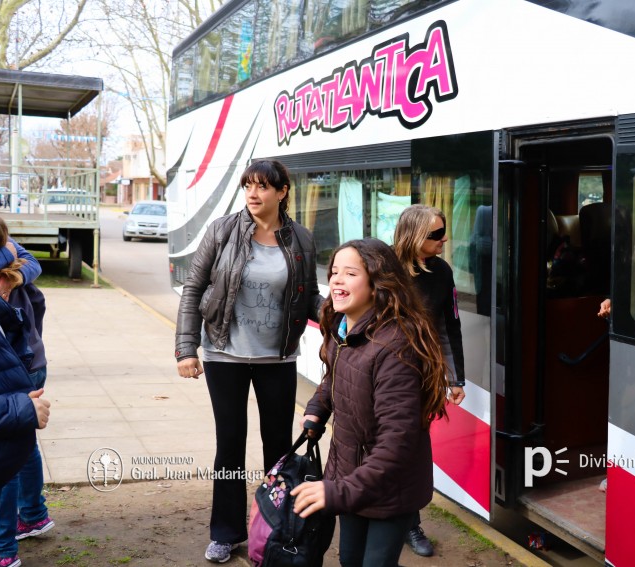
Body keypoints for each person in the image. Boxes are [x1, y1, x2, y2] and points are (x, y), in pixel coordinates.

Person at [174, 159, 323, 564]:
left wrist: (342, 315)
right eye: (248, 186)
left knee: (278, 448)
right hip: (225, 353)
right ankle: (226, 531)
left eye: (262, 187)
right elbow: (194, 288)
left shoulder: (301, 240)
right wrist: (186, 349)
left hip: (278, 357)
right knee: (230, 444)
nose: (253, 194)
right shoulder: (222, 231)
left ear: (282, 191)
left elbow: (309, 298)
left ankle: (273, 526)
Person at [292, 238, 450, 567]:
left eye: (350, 273)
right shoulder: (344, 327)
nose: (336, 279)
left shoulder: (395, 345)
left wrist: (336, 491)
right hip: (351, 474)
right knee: (350, 559)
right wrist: (317, 410)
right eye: (334, 272)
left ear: (378, 282)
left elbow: (398, 438)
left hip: (389, 485)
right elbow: (337, 377)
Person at [0, 190, 50, 567]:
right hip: (22, 363)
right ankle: (24, 524)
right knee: (19, 439)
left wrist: (12, 277)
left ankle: (9, 540)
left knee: (13, 446)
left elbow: (30, 262)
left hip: (20, 362)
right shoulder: (3, 248)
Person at [392, 204, 465, 557]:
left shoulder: (442, 272)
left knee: (414, 450)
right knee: (378, 447)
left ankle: (410, 523)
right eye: (436, 234)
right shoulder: (382, 270)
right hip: (379, 376)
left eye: (444, 230)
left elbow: (450, 326)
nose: (444, 239)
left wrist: (455, 378)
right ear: (414, 235)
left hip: (422, 377)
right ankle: (375, 512)